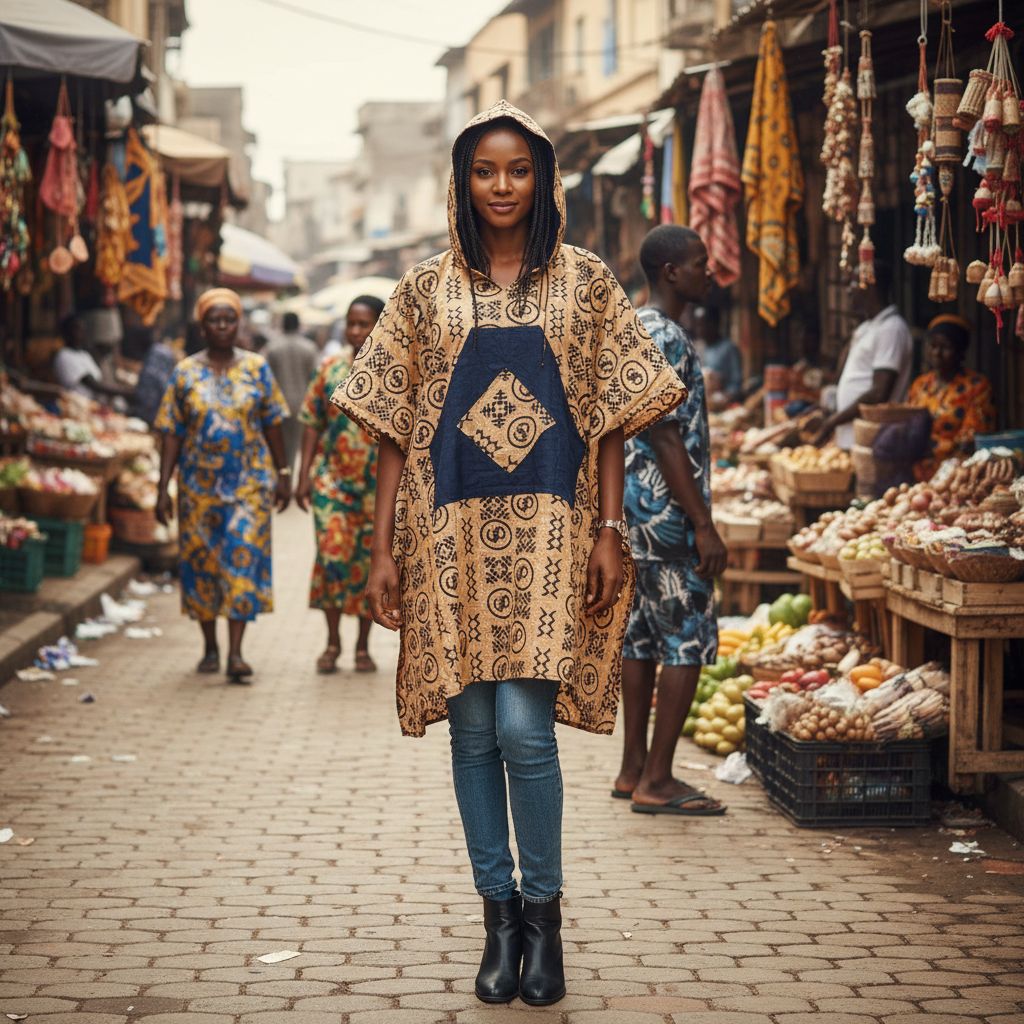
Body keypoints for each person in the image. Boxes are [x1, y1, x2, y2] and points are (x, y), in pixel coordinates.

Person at [331, 101, 685, 1008]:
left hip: (554, 535)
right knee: (473, 732)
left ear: (543, 179)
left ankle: (544, 917)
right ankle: (497, 916)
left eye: (518, 170)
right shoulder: (423, 290)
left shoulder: (587, 281)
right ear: (462, 180)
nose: (501, 186)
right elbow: (391, 428)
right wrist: (381, 550)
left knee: (526, 731)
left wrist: (611, 530)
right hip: (445, 537)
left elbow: (612, 414)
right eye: (484, 171)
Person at [615, 225, 728, 817]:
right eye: (701, 263)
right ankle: (657, 779)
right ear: (671, 273)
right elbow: (664, 435)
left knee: (640, 638)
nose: (709, 273)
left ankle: (633, 769)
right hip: (667, 518)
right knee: (685, 640)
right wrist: (703, 524)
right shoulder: (667, 336)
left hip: (634, 515)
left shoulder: (636, 327)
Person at [154, 288, 292, 682]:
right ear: (202, 327)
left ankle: (236, 653)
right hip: (198, 489)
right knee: (202, 565)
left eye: (229, 320)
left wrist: (283, 473)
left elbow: (273, 421)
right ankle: (210, 647)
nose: (222, 327)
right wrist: (162, 487)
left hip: (249, 487)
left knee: (242, 561)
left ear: (238, 325)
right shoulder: (185, 372)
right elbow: (171, 431)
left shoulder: (256, 368)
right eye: (214, 320)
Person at [295, 295, 385, 674]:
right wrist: (302, 476)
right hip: (331, 483)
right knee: (332, 560)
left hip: (377, 491)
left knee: (368, 565)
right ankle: (332, 642)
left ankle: (363, 647)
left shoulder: (393, 372)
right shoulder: (330, 369)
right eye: (351, 323)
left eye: (364, 324)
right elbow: (311, 422)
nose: (356, 331)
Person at [815, 261, 913, 449]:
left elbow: (879, 393)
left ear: (869, 285)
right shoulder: (868, 327)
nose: (848, 291)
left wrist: (832, 422)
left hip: (873, 439)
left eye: (853, 283)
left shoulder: (891, 329)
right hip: (853, 437)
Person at [908, 314, 996, 479]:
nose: (937, 353)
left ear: (960, 351)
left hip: (957, 474)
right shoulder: (920, 385)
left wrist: (933, 447)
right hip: (917, 472)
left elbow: (972, 438)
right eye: (933, 346)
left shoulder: (976, 386)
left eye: (946, 347)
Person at [263, 311, 319, 471]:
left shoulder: (272, 347)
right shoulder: (309, 347)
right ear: (298, 325)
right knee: (297, 444)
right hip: (302, 402)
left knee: (281, 444)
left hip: (278, 403)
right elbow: (315, 377)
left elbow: (267, 378)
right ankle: (294, 473)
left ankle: (284, 473)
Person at [53, 314, 134, 404]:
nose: (81, 333)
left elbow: (99, 379)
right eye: (77, 329)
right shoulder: (64, 356)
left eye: (83, 329)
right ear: (67, 333)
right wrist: (125, 393)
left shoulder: (84, 354)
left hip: (95, 404)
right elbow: (92, 384)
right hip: (78, 404)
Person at [694, 303, 742, 402]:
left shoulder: (728, 349)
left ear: (714, 324)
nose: (699, 329)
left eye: (703, 325)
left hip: (723, 404)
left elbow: (736, 383)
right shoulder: (696, 348)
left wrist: (723, 396)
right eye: (697, 325)